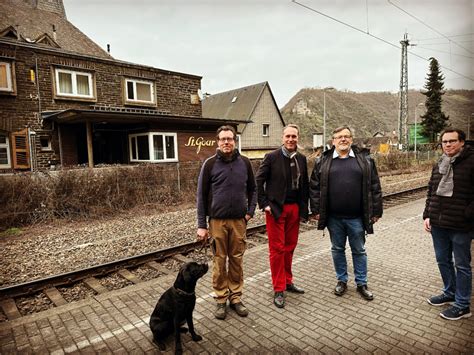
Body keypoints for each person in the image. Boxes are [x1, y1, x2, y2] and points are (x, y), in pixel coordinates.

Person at [309, 125, 382, 301]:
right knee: (337, 249)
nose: (343, 139)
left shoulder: (364, 159)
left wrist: (377, 211)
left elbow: (375, 186)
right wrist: (316, 210)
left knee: (359, 250)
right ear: (333, 141)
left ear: (351, 139)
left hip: (357, 217)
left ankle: (361, 283)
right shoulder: (323, 161)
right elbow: (314, 187)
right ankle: (341, 281)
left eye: (347, 136)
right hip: (334, 218)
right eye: (339, 137)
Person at [196, 125, 257, 320]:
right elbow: (201, 196)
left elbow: (253, 190)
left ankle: (236, 298)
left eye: (229, 139)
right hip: (217, 222)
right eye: (223, 139)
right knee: (219, 262)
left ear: (235, 140)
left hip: (239, 221)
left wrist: (249, 213)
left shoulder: (245, 163)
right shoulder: (210, 164)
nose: (226, 142)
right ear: (218, 141)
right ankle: (221, 299)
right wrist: (201, 225)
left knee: (237, 261)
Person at [256, 124, 309, 308]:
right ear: (282, 138)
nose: (291, 139)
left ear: (298, 138)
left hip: (294, 209)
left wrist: (304, 210)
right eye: (288, 136)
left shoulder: (301, 159)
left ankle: (287, 281)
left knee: (290, 247)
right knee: (277, 250)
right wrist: (264, 204)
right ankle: (278, 288)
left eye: (294, 136)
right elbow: (259, 180)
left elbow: (305, 185)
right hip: (276, 210)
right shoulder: (271, 157)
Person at [423, 128, 473, 321]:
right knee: (443, 260)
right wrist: (427, 215)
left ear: (462, 142)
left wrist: (466, 214)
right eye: (444, 142)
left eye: (452, 141)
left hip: (461, 225)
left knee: (462, 265)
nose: (448, 145)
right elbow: (431, 190)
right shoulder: (440, 163)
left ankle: (462, 305)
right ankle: (449, 292)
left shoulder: (471, 162)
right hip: (439, 223)